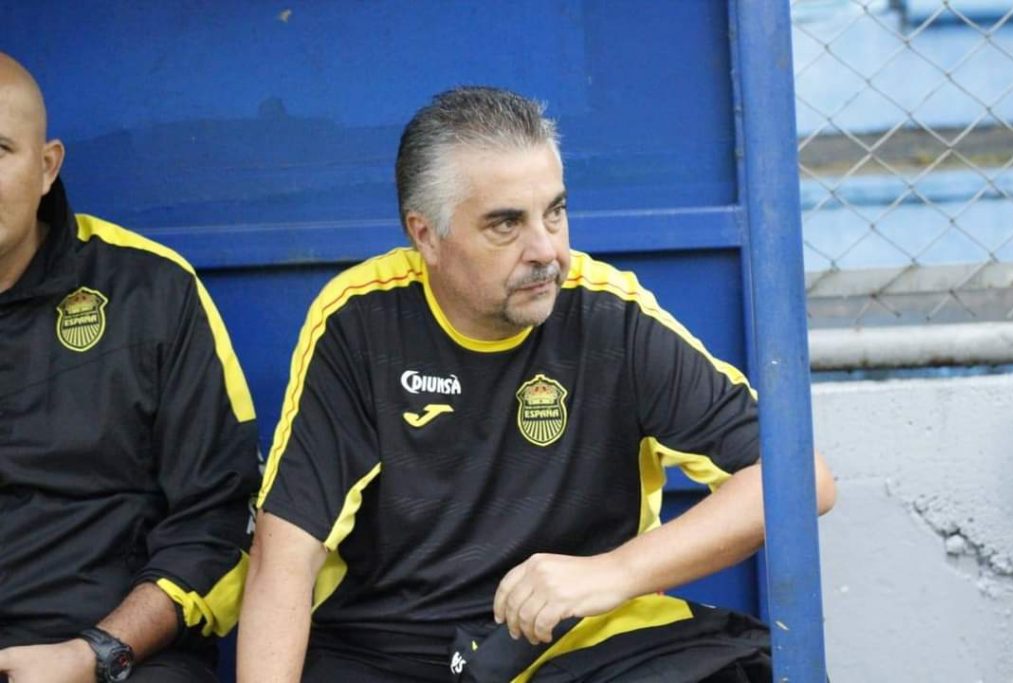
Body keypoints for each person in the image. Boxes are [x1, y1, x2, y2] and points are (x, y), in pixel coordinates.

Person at [238, 86, 836, 682]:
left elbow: (801, 480)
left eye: (555, 211)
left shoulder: (610, 314)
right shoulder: (360, 322)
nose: (547, 250)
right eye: (506, 224)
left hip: (586, 644)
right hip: (392, 651)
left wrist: (614, 572)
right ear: (425, 236)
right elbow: (284, 558)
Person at [0, 53, 261, 682]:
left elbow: (222, 518)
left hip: (114, 656)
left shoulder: (150, 291)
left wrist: (97, 652)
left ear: (46, 166)